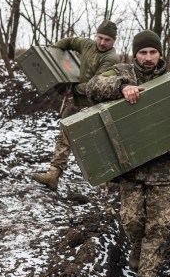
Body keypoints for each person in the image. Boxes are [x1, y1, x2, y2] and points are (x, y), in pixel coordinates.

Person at [85, 30, 170, 277]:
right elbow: (92, 87)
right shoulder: (122, 72)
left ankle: (148, 275)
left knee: (160, 224)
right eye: (143, 52)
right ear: (135, 54)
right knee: (132, 221)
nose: (148, 57)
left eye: (153, 52)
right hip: (131, 167)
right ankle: (137, 249)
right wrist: (122, 88)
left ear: (160, 53)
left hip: (163, 168)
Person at [32, 20, 120, 191]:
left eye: (107, 40)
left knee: (97, 144)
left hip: (95, 107)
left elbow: (95, 85)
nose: (102, 42)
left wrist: (72, 89)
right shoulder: (87, 44)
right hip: (78, 103)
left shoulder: (110, 58)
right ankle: (53, 175)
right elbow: (70, 41)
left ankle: (108, 181)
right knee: (64, 137)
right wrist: (53, 52)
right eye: (100, 37)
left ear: (114, 41)